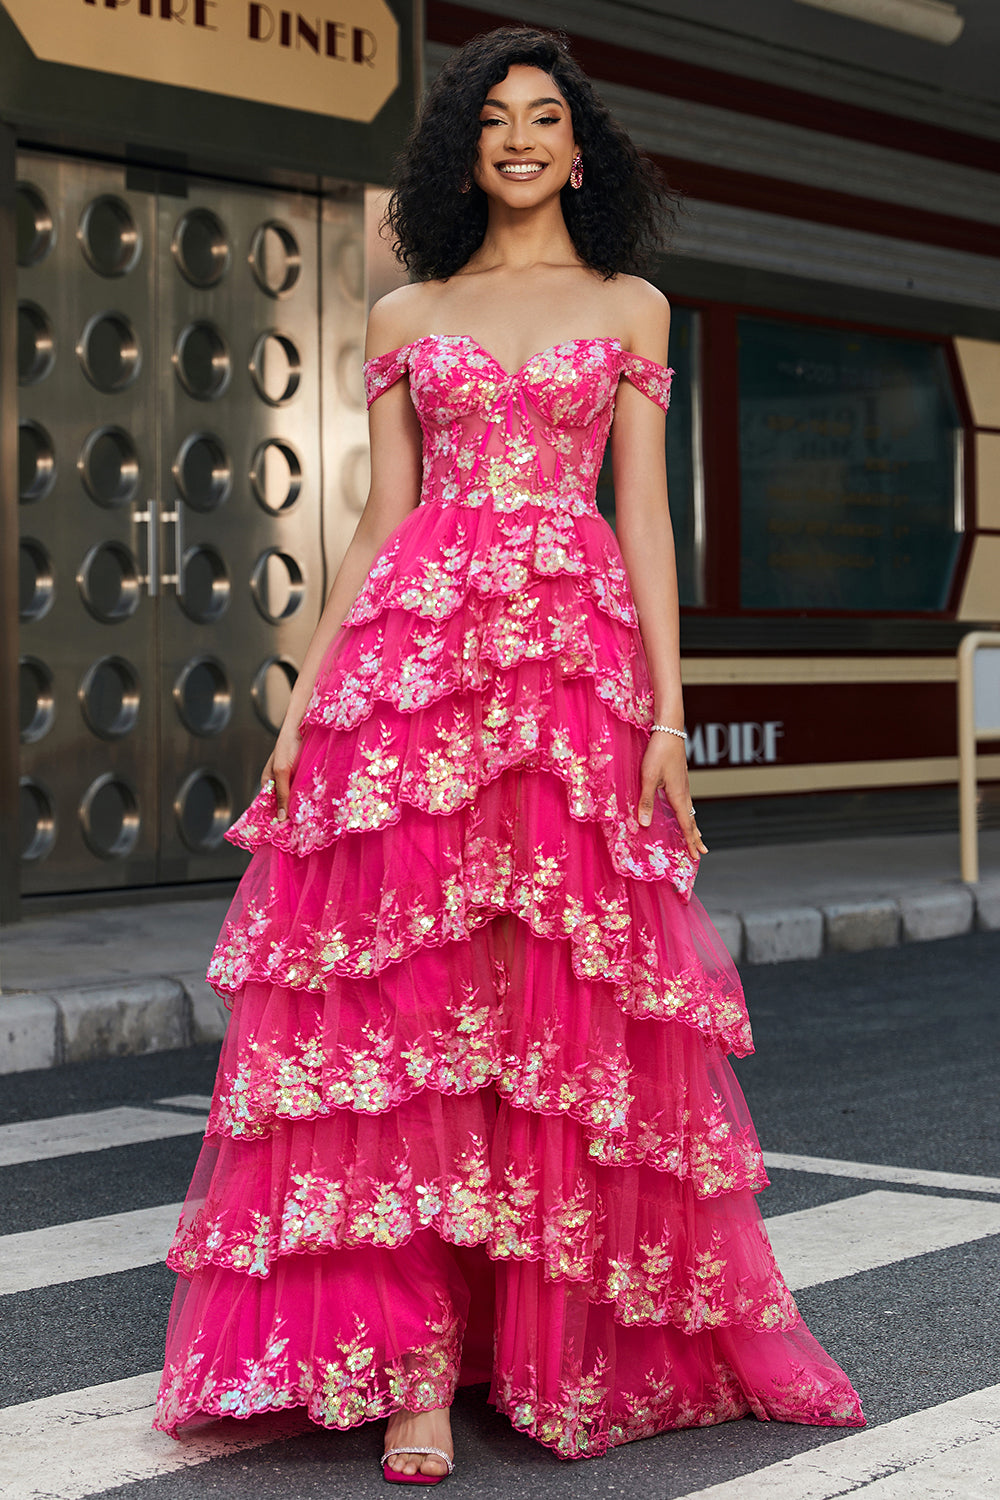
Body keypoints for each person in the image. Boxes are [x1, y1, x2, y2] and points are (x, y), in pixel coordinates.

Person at [153, 26, 864, 1482]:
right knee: (405, 1013)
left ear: (578, 148)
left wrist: (669, 717)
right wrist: (303, 701)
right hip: (415, 668)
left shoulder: (635, 305)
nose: (522, 139)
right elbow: (377, 514)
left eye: (546, 118)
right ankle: (410, 1363)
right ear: (464, 152)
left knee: (554, 1009)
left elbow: (648, 520)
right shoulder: (412, 306)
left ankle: (555, 1345)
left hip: (572, 672)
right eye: (495, 121)